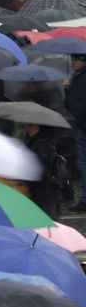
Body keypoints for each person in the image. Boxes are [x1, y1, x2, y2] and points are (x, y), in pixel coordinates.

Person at [64, 54, 86, 213]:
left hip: (83, 126)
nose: (72, 63)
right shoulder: (79, 76)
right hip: (82, 124)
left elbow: (78, 102)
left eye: (75, 60)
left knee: (83, 163)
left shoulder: (82, 78)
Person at [24, 122, 60, 219]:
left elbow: (39, 168)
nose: (27, 128)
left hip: (41, 192)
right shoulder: (41, 140)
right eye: (26, 125)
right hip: (44, 191)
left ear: (40, 126)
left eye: (30, 125)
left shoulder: (40, 144)